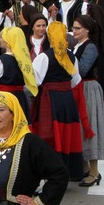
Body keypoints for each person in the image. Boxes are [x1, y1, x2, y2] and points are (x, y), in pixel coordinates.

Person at [30, 21, 86, 180]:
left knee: (51, 134)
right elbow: (76, 80)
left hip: (50, 100)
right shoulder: (71, 56)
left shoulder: (44, 57)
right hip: (67, 100)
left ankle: (51, 172)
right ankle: (67, 170)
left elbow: (35, 81)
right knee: (66, 133)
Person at [72, 15, 104, 187]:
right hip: (79, 88)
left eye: (78, 28)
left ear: (87, 29)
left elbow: (83, 69)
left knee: (89, 126)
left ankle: (94, 171)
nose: (74, 31)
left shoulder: (90, 47)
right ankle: (84, 168)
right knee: (80, 127)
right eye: (74, 28)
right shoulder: (78, 45)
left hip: (88, 88)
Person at [0, 26, 38, 121]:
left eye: (2, 37)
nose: (1, 39)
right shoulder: (25, 60)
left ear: (8, 40)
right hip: (20, 100)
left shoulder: (0, 61)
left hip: (4, 101)